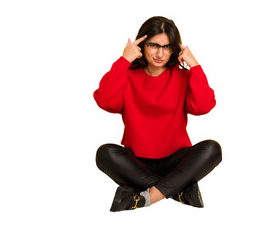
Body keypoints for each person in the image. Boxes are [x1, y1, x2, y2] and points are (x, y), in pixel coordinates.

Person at [93, 16, 222, 212]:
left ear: (174, 49)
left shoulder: (183, 77)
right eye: (154, 45)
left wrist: (194, 65)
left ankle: (147, 197)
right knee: (105, 154)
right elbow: (105, 101)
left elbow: (203, 106)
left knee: (212, 149)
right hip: (136, 162)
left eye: (167, 46)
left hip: (177, 161)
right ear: (142, 46)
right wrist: (124, 60)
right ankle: (178, 190)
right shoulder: (126, 76)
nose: (160, 53)